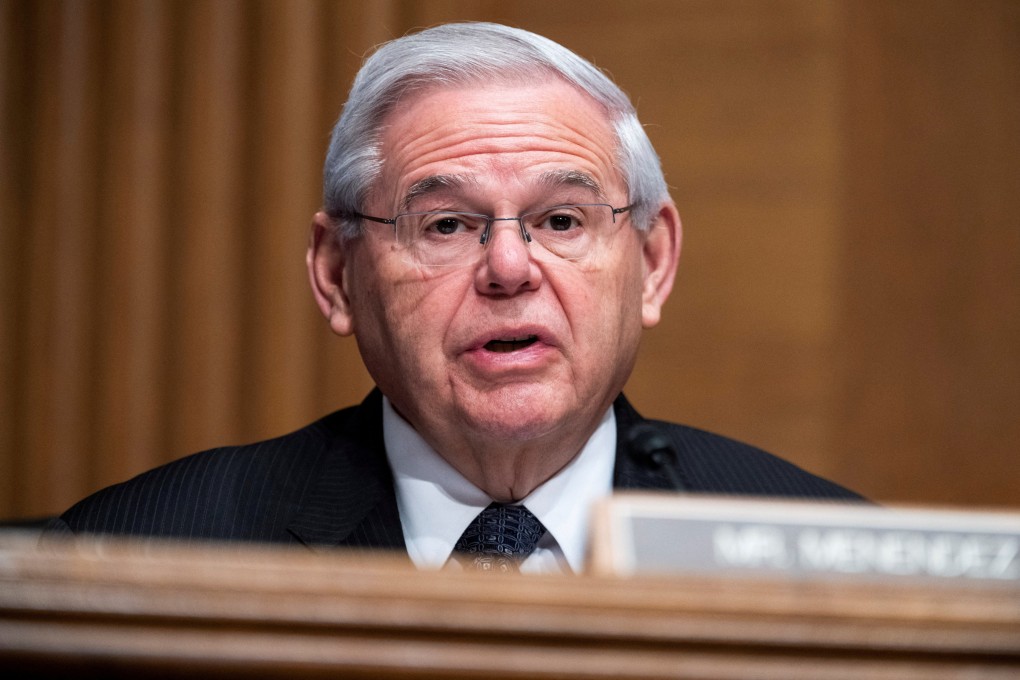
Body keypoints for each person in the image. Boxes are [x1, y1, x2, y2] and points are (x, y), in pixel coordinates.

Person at [46, 23, 860, 573]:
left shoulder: (829, 559)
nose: (509, 265)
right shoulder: (136, 555)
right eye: (443, 224)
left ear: (651, 263)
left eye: (562, 218)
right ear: (336, 274)